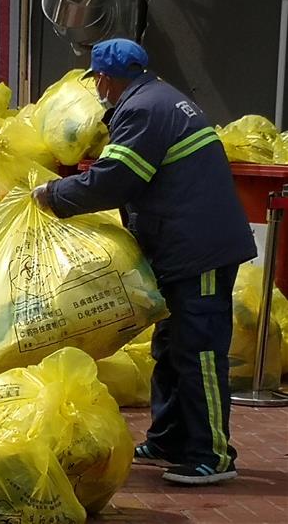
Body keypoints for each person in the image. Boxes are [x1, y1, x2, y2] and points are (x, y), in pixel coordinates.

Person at [32, 38, 255, 485]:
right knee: (170, 347)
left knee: (199, 351)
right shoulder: (161, 98)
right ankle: (170, 437)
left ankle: (212, 453)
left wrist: (52, 195)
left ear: (104, 79)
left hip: (199, 251)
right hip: (182, 247)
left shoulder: (144, 110)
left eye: (97, 81)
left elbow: (116, 180)